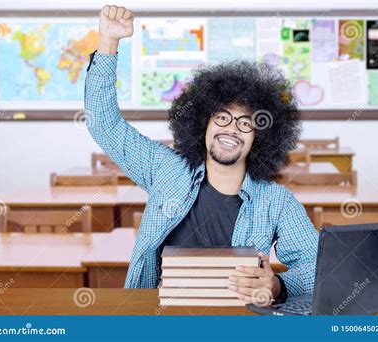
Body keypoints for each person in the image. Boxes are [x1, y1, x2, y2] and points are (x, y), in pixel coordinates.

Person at [85, 5, 318, 306]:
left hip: (236, 322)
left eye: (245, 123)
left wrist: (277, 286)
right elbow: (104, 124)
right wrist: (108, 43)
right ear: (202, 124)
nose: (231, 129)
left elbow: (317, 267)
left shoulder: (276, 202)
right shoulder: (165, 169)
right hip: (158, 317)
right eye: (221, 118)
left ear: (260, 137)